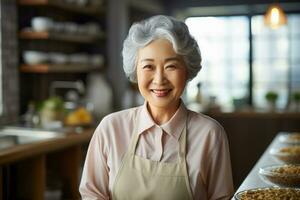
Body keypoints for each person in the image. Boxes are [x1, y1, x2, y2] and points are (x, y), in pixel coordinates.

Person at [79, 15, 234, 200]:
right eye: (148, 66)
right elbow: (92, 195)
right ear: (135, 70)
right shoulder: (111, 128)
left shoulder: (210, 134)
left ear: (188, 71)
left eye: (171, 66)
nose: (159, 79)